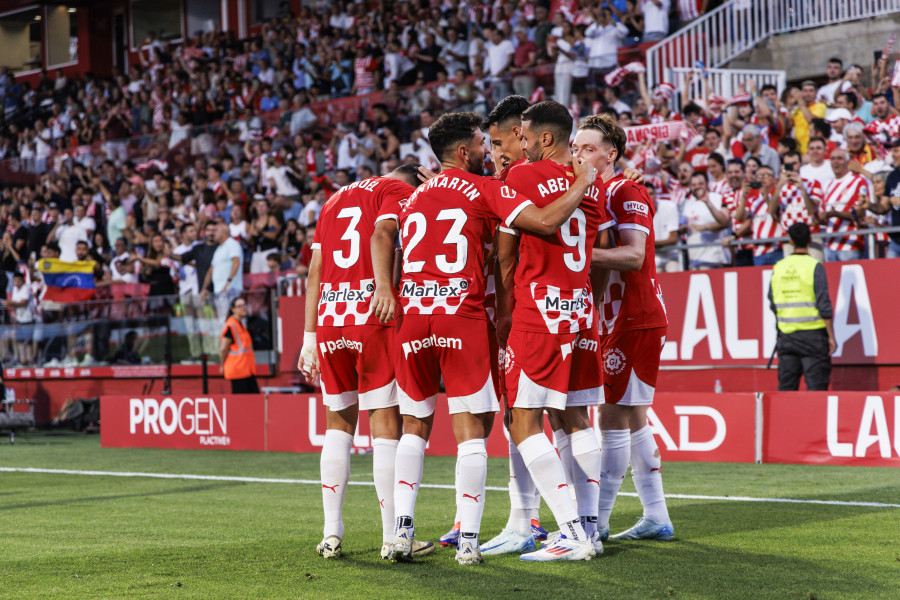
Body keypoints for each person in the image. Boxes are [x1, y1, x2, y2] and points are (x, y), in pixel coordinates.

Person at [372, 111, 598, 565]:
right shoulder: (485, 188)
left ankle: (399, 531)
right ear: (463, 152)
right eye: (482, 144)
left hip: (413, 317)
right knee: (472, 432)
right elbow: (544, 222)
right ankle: (471, 541)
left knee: (414, 428)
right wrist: (584, 180)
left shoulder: (416, 196)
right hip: (465, 316)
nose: (489, 152)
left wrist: (383, 286)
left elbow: (381, 231)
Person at [298, 164, 435, 562]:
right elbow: (387, 239)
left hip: (329, 318)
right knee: (384, 425)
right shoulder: (397, 192)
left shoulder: (334, 199)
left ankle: (330, 534)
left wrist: (308, 339)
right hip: (372, 315)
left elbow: (314, 274)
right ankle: (393, 535)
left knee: (337, 425)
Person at [493, 101, 607, 561]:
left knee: (522, 421)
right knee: (577, 418)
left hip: (538, 313)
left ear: (544, 139)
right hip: (579, 310)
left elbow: (513, 249)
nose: (518, 143)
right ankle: (592, 528)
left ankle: (572, 532)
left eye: (522, 135)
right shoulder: (593, 191)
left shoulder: (523, 176)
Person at [575, 113, 674, 542]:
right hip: (618, 319)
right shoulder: (600, 190)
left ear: (611, 153)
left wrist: (573, 255)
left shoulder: (625, 189)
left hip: (634, 316)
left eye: (589, 148)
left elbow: (634, 256)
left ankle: (597, 522)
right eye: (576, 148)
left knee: (612, 416)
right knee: (633, 416)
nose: (579, 154)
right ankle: (656, 515)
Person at [768, 223, 836, 390]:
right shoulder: (814, 266)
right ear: (810, 240)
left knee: (786, 389)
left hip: (787, 336)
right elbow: (823, 304)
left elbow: (772, 301)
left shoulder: (779, 267)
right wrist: (831, 337)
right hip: (813, 335)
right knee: (816, 389)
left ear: (790, 242)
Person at [202, 223, 243, 321]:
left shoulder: (232, 244)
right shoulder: (219, 248)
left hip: (230, 290)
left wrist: (228, 282)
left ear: (224, 231)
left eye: (216, 230)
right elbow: (211, 270)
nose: (213, 233)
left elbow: (236, 262)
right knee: (222, 320)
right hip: (220, 291)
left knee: (234, 319)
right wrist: (204, 288)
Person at [219, 297, 258, 394]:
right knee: (242, 403)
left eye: (244, 305)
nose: (243, 308)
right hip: (238, 370)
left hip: (247, 370)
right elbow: (223, 348)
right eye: (239, 306)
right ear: (233, 309)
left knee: (254, 401)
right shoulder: (231, 325)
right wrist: (222, 365)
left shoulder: (240, 323)